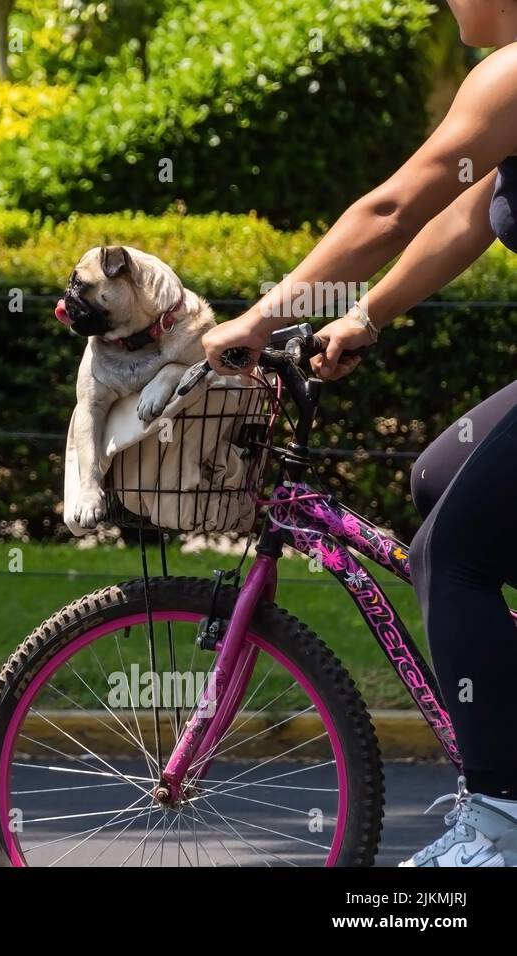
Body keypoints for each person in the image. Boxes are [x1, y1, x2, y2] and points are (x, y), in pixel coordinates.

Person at [202, 0, 517, 866]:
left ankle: (502, 828)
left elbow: (390, 210)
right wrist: (367, 315)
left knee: (448, 557)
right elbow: (463, 215)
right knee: (433, 483)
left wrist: (261, 319)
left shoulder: (513, 75)